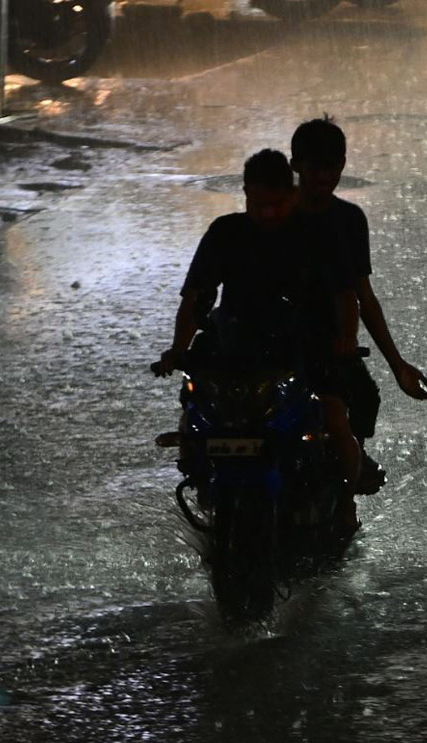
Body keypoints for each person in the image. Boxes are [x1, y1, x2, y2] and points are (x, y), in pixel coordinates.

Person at [154, 149, 363, 537]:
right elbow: (197, 297)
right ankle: (198, 471)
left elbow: (343, 296)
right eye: (257, 204)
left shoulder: (316, 234)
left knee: (334, 416)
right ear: (245, 194)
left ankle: (346, 504)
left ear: (292, 193)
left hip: (304, 346)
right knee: (194, 405)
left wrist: (346, 339)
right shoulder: (225, 232)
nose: (267, 213)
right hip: (236, 347)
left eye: (277, 204)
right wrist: (177, 348)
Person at [289, 116, 427, 503]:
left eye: (333, 168)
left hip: (329, 337)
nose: (325, 177)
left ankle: (348, 470)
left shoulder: (349, 220)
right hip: (275, 336)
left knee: (365, 395)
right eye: (316, 167)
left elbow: (361, 296)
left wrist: (397, 363)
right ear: (295, 164)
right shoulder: (271, 213)